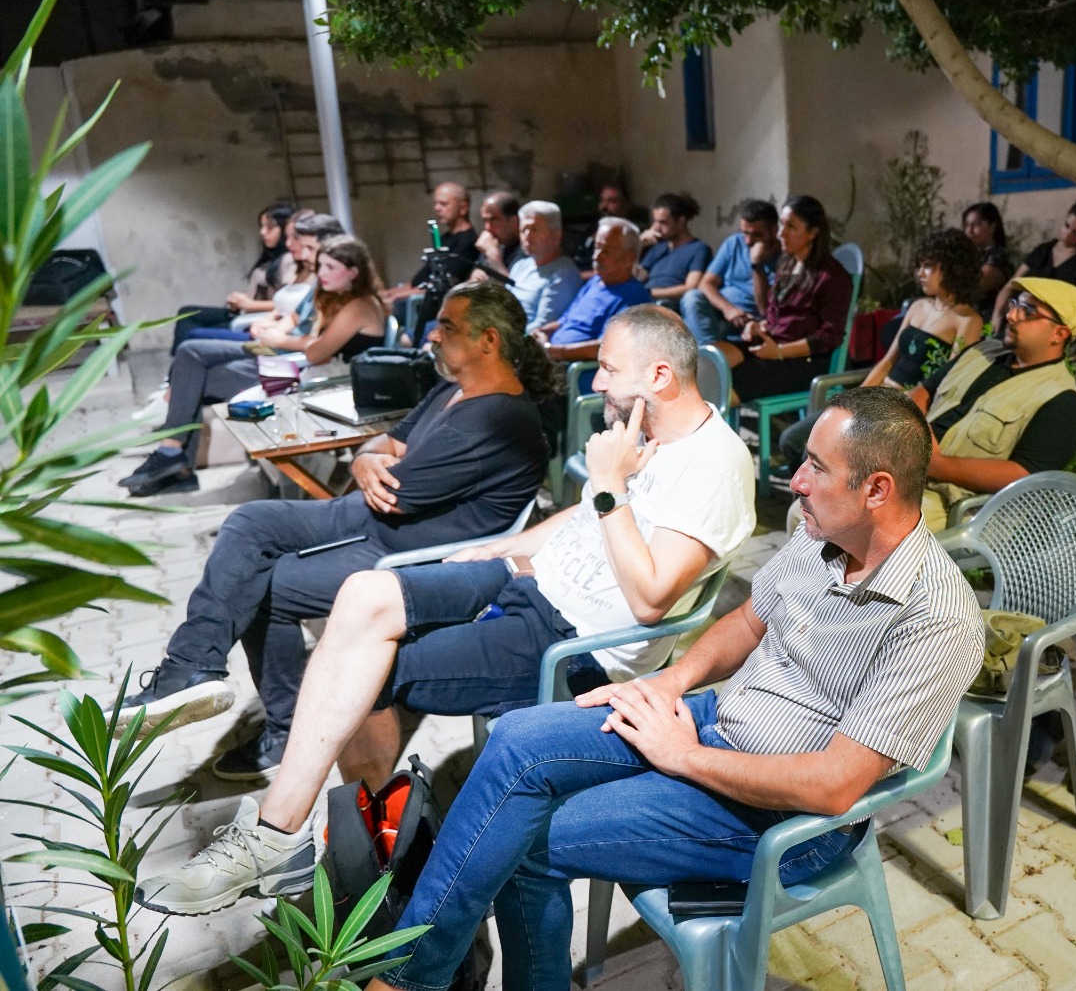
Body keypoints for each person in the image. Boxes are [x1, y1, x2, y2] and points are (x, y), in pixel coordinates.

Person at [338, 388, 983, 991]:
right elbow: (748, 620)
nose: (796, 481)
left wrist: (684, 757)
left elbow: (835, 786)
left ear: (876, 489)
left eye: (816, 467)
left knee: (523, 843)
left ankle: (407, 978)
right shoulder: (825, 537)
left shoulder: (936, 616)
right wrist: (668, 681)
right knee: (515, 740)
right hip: (713, 721)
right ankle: (412, 975)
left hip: (788, 818)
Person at [133, 307, 758, 917]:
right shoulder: (648, 434)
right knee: (362, 594)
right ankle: (328, 833)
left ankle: (295, 836)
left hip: (573, 643)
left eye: (608, 369)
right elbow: (584, 516)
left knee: (365, 672)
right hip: (527, 580)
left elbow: (651, 600)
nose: (596, 383)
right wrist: (505, 547)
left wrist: (610, 485)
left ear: (658, 376)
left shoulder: (716, 467)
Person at [119, 281, 556, 784]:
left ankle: (277, 724)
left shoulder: (498, 419)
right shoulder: (454, 388)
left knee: (263, 582)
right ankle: (192, 667)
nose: (432, 335)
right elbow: (387, 444)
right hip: (375, 522)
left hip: (412, 553)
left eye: (447, 326)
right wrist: (367, 458)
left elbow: (396, 490)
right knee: (249, 522)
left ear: (489, 340)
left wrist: (373, 462)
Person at [122, 233, 385, 497]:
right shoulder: (336, 297)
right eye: (321, 266)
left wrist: (280, 339)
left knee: (196, 377)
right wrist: (279, 333)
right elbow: (310, 338)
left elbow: (317, 352)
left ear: (353, 273)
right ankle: (174, 456)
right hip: (301, 366)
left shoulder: (358, 306)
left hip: (322, 380)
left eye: (330, 267)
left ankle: (175, 459)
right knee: (191, 363)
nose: (321, 273)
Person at [778, 227, 986, 475]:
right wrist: (855, 398)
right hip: (876, 395)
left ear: (952, 269)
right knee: (791, 440)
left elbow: (948, 385)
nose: (919, 273)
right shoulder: (918, 307)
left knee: (815, 453)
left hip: (901, 408)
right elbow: (888, 361)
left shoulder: (967, 321)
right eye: (919, 265)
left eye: (928, 266)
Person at [912, 277, 1076, 530]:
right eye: (1014, 304)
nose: (1011, 316)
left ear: (1058, 334)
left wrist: (936, 465)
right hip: (906, 466)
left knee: (869, 519)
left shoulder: (1063, 401)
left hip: (954, 505)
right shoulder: (982, 351)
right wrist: (909, 429)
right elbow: (924, 391)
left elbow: (1022, 475)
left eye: (1028, 312)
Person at [715, 194, 852, 401]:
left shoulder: (831, 276)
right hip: (772, 345)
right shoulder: (787, 263)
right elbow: (773, 314)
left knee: (723, 384)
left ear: (813, 233)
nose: (781, 233)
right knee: (709, 359)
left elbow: (829, 337)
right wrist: (759, 326)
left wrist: (779, 351)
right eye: (781, 225)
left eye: (791, 227)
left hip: (803, 360)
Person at [170, 203, 297, 350]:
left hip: (256, 317)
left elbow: (288, 304)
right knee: (186, 313)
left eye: (269, 227)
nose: (262, 232)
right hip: (242, 312)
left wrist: (250, 304)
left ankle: (182, 359)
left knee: (195, 334)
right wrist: (241, 300)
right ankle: (178, 359)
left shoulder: (289, 260)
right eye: (261, 227)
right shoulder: (271, 256)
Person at [534, 217, 653, 362]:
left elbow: (605, 347)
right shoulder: (595, 282)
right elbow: (566, 320)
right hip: (552, 357)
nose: (596, 256)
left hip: (575, 369)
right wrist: (542, 332)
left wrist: (555, 351)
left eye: (606, 251)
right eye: (596, 247)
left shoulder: (634, 298)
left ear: (629, 258)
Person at [989, 196, 1076, 334]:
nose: (1068, 234)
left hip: (1050, 329)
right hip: (1017, 318)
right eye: (1067, 226)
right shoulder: (1043, 250)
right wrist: (997, 315)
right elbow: (1010, 285)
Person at [384, 183, 478, 342]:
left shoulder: (467, 242)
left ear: (463, 207)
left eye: (444, 204)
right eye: (436, 203)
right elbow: (419, 279)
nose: (437, 208)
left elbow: (442, 286)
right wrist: (389, 293)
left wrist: (395, 297)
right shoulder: (445, 239)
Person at [680, 198, 778, 344]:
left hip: (750, 322)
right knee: (692, 297)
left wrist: (757, 265)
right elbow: (705, 283)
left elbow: (764, 309)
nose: (748, 241)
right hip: (721, 312)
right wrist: (728, 309)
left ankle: (710, 354)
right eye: (745, 233)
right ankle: (712, 353)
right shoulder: (734, 243)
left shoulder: (784, 259)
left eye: (756, 235)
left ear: (774, 230)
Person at [506, 201, 583, 330]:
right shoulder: (520, 266)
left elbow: (543, 326)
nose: (527, 236)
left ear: (556, 235)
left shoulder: (564, 275)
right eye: (523, 230)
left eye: (534, 229)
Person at [636, 192, 712, 308]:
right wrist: (638, 245)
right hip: (644, 303)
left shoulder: (699, 249)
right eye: (655, 221)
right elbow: (637, 277)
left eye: (662, 222)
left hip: (669, 306)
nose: (656, 228)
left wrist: (650, 293)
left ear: (681, 222)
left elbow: (691, 287)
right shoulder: (658, 248)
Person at [574, 182, 641, 277]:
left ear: (625, 204)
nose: (604, 206)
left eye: (611, 201)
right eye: (602, 200)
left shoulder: (630, 234)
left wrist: (579, 276)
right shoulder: (593, 228)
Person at [962, 201, 1015, 318]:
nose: (969, 230)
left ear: (992, 227)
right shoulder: (969, 254)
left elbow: (976, 285)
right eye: (966, 225)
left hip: (989, 321)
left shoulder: (999, 256)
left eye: (976, 225)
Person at [467, 190, 525, 285]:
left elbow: (516, 290)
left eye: (494, 220)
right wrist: (475, 277)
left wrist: (493, 256)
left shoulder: (528, 249)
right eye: (485, 220)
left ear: (514, 221)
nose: (487, 227)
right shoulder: (495, 243)